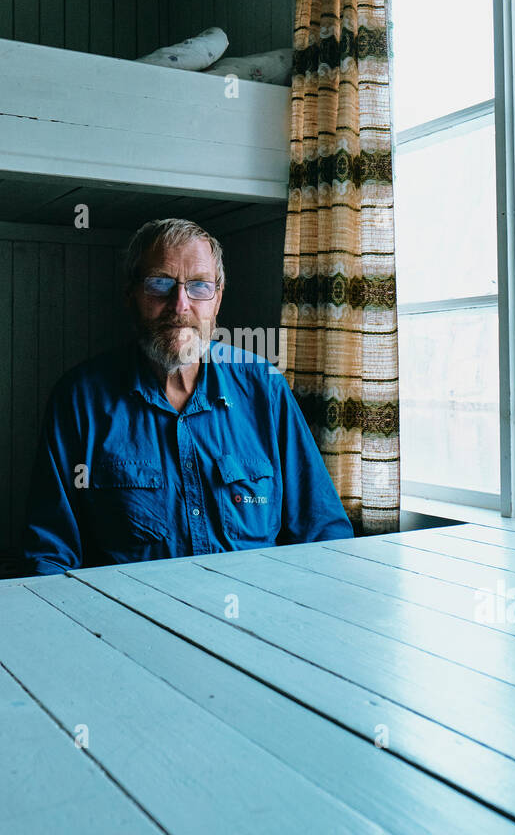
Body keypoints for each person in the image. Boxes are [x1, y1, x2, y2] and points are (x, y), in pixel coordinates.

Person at [22, 217, 353, 574]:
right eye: (159, 284)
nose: (180, 305)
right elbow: (49, 554)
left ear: (217, 299)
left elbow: (324, 534)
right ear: (130, 295)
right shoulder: (79, 401)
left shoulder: (265, 388)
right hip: (130, 621)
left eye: (198, 286)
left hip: (255, 618)